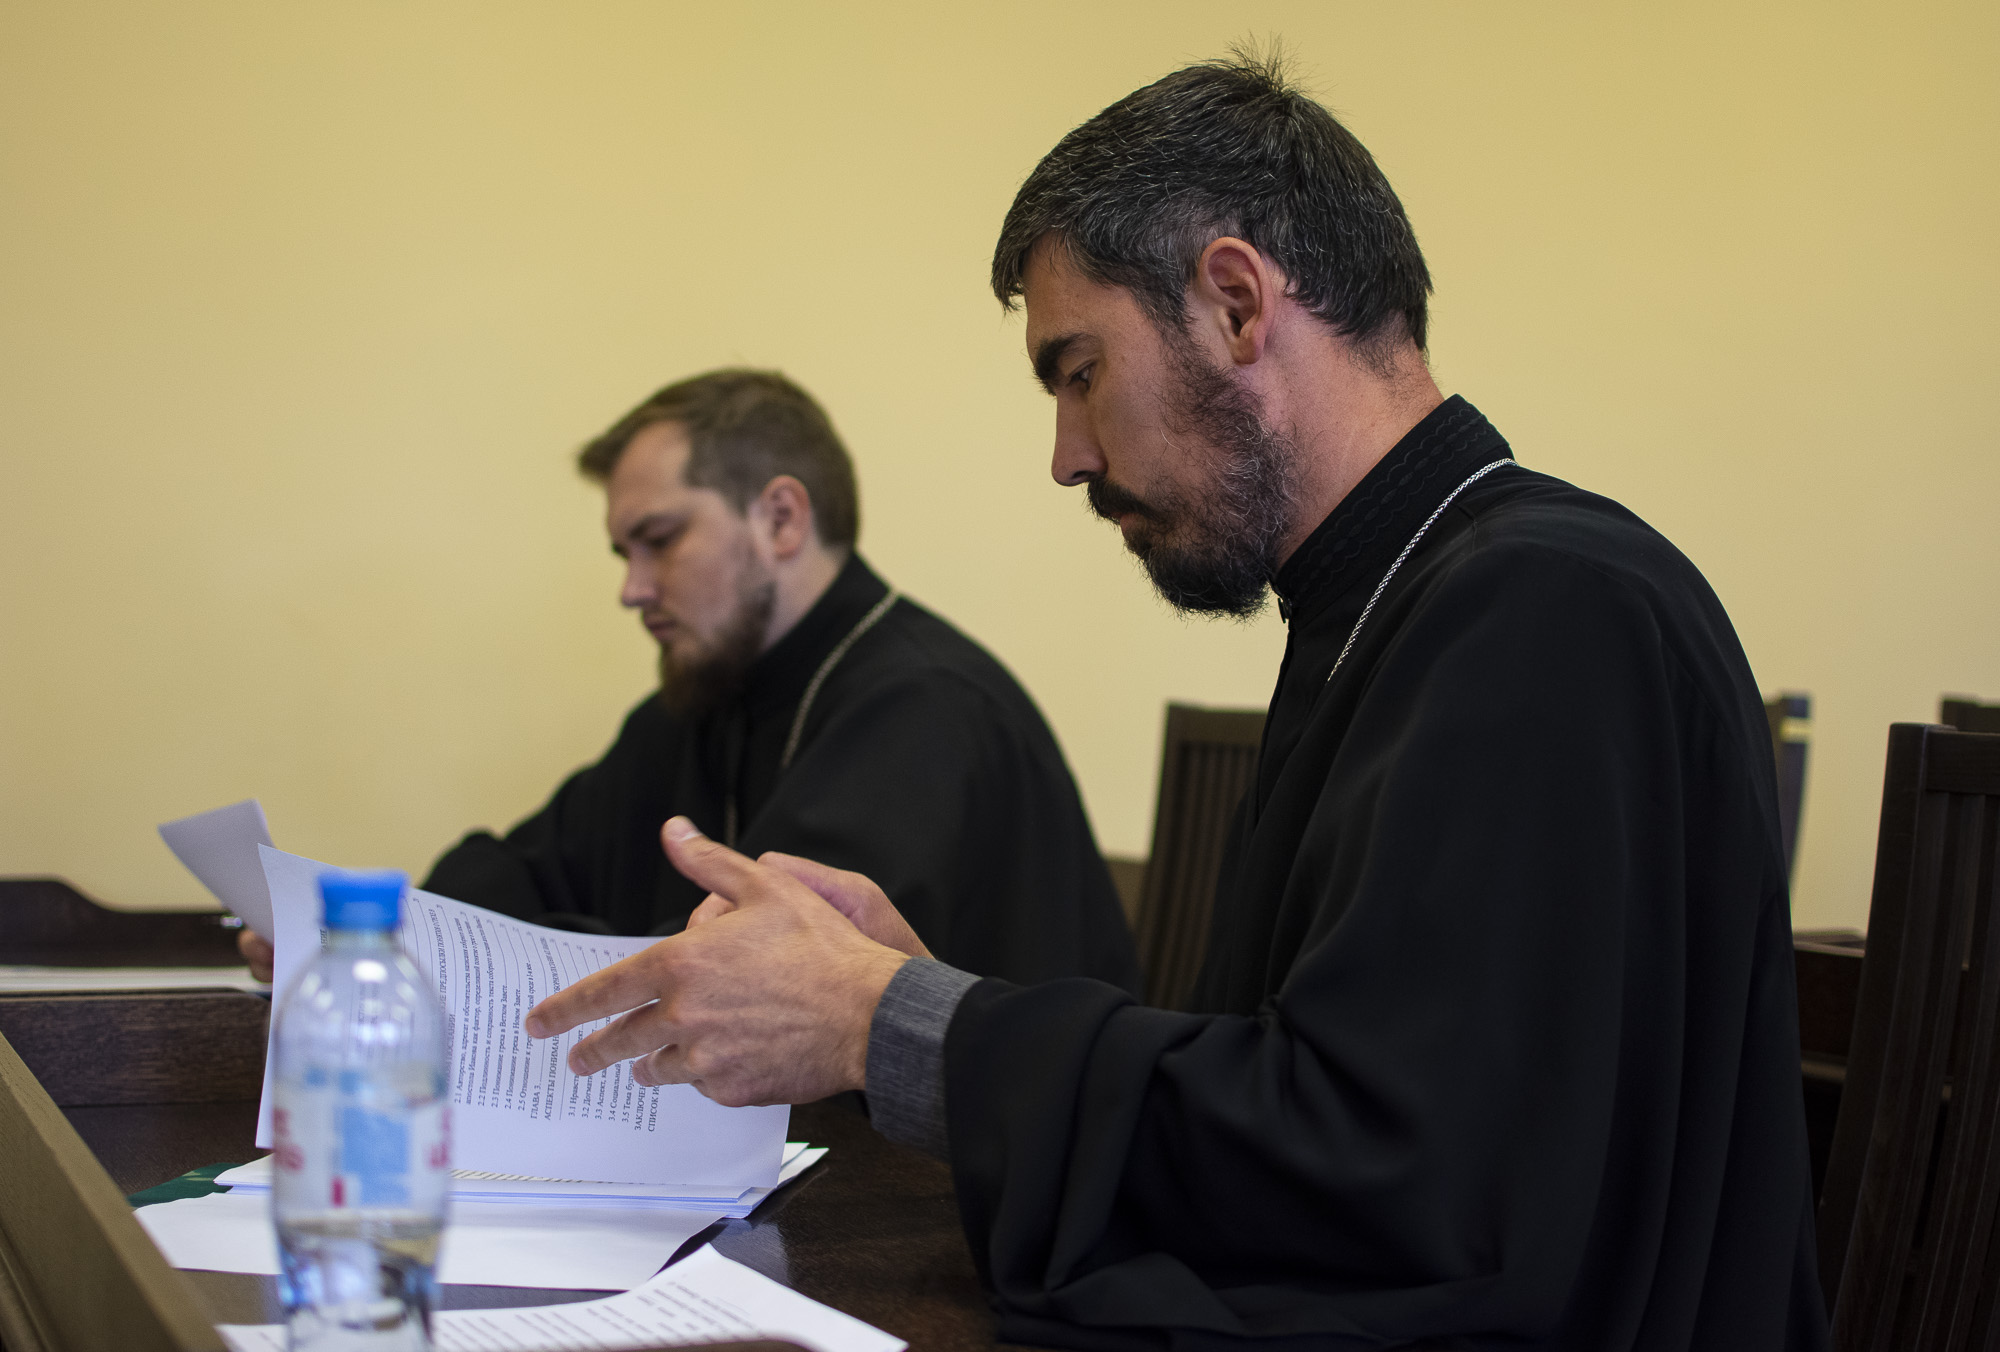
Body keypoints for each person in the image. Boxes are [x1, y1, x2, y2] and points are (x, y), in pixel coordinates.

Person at [522, 55, 1829, 1352]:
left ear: (1236, 303)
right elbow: (1275, 1097)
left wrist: (887, 1021)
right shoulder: (1398, 604)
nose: (1065, 456)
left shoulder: (1545, 612)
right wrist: (915, 995)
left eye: (1079, 371)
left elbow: (1399, 1189)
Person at [241, 369, 1138, 994]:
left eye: (660, 541)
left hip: (951, 1191)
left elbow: (757, 974)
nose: (632, 589)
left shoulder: (924, 709)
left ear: (780, 518)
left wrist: (431, 951)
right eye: (623, 553)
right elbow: (528, 870)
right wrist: (372, 936)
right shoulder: (705, 698)